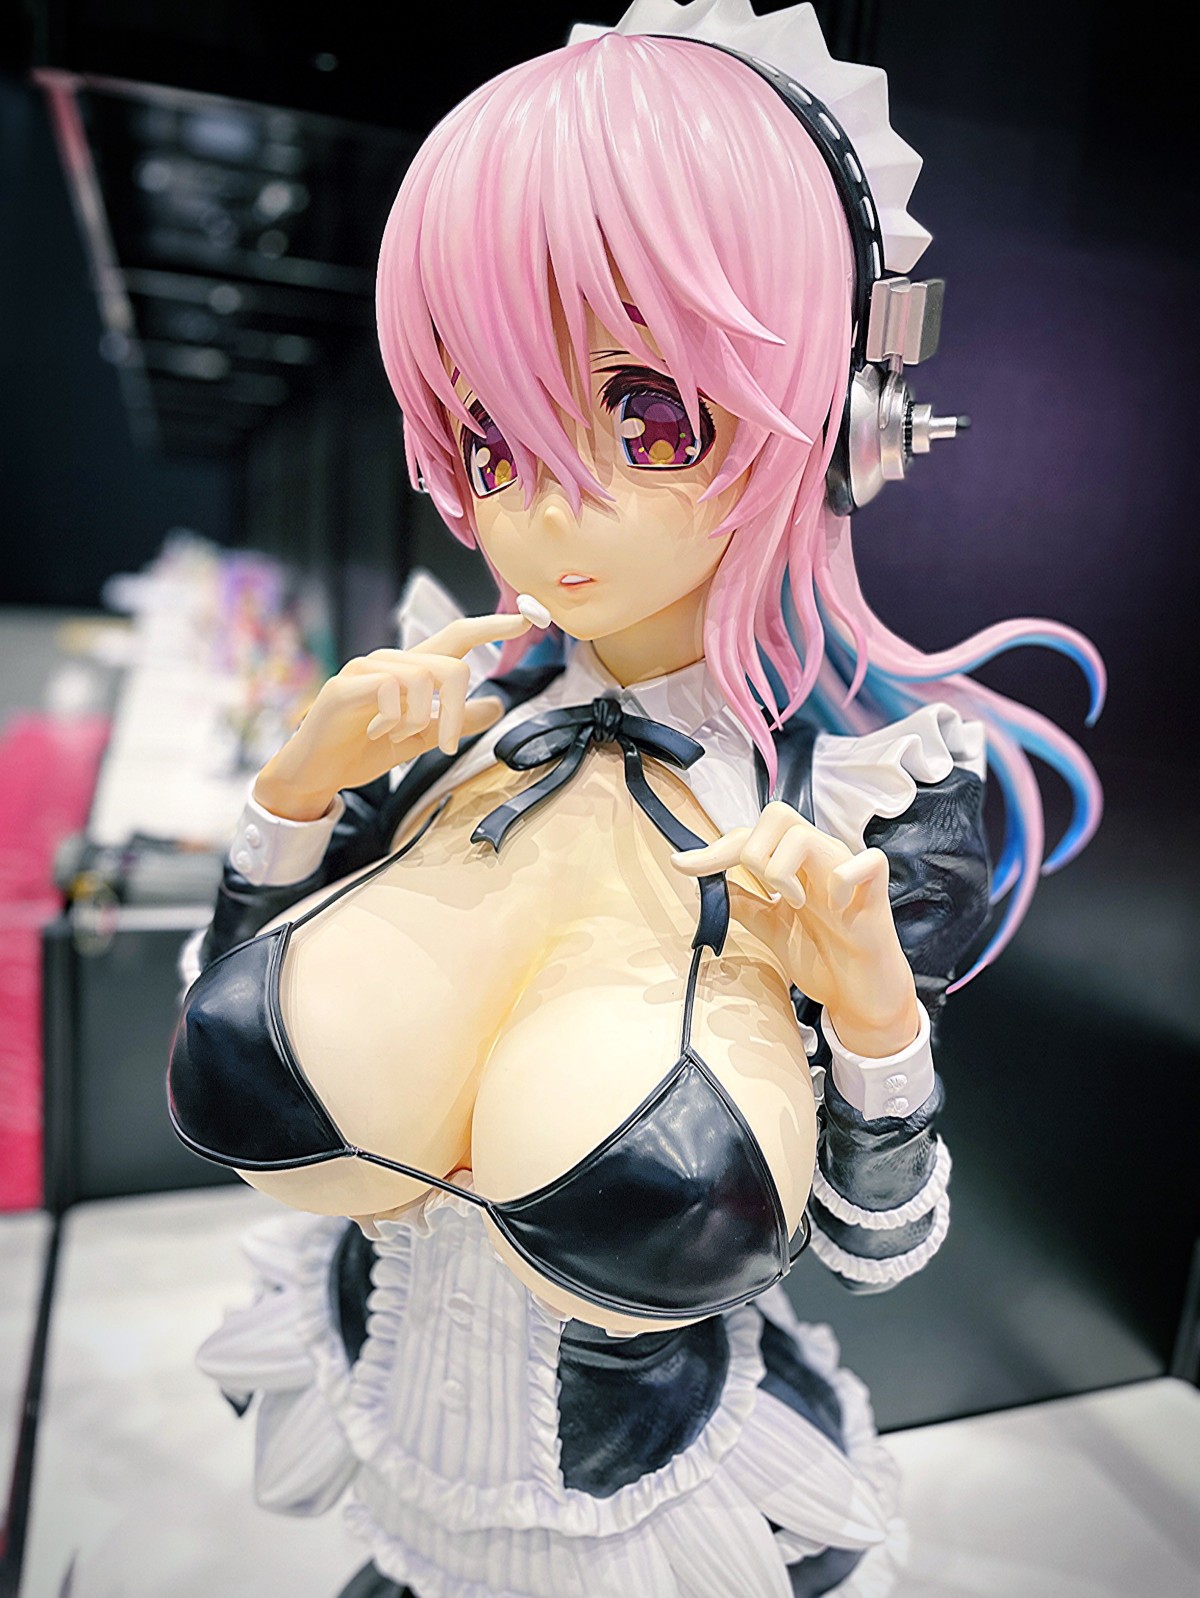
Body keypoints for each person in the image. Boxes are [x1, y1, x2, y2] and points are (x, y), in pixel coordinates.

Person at [169, 5, 1102, 1594]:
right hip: (387, 1431)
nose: (546, 505)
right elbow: (224, 1009)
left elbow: (876, 1245)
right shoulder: (440, 709)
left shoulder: (872, 800)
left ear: (848, 416)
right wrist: (290, 799)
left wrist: (876, 1015)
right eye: (492, 435)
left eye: (644, 413)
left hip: (657, 1508)